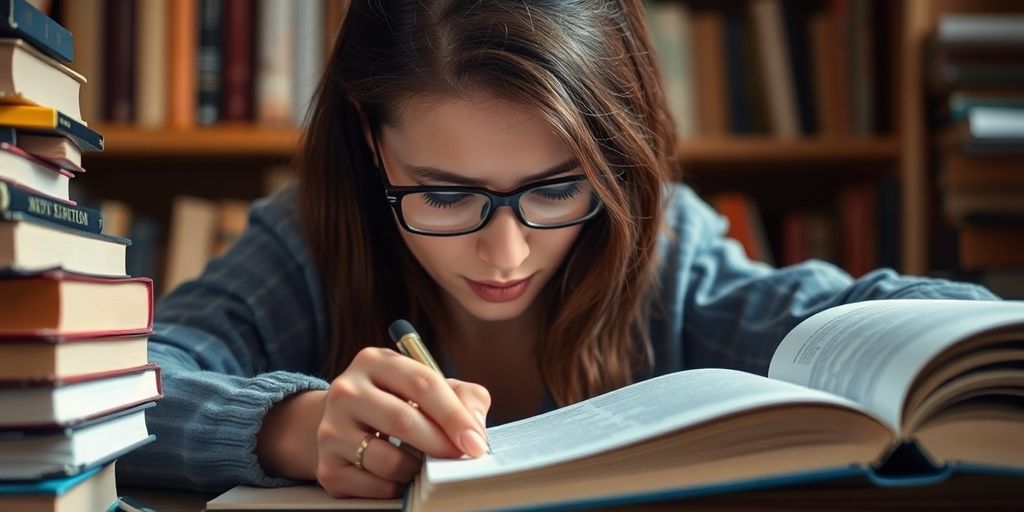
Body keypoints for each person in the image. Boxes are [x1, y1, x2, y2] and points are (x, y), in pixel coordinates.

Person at [118, 0, 998, 499]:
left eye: (554, 189)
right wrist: (291, 427)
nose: (506, 252)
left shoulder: (667, 254)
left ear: (614, 159)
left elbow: (881, 315)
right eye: (446, 194)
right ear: (372, 145)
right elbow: (124, 382)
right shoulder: (313, 238)